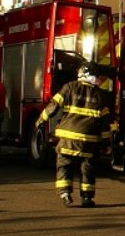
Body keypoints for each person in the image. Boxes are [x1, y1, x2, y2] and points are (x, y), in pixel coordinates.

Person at [35, 64, 112, 208]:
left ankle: (65, 194)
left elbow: (54, 105)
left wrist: (41, 120)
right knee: (87, 168)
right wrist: (106, 142)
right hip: (89, 141)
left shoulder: (69, 87)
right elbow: (105, 122)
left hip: (67, 138)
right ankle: (87, 199)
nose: (98, 79)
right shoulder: (100, 95)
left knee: (64, 165)